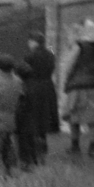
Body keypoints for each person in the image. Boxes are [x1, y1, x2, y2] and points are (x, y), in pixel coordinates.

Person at [63, 19, 94, 157]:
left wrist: (67, 79)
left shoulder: (80, 46)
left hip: (78, 85)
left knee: (74, 116)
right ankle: (93, 147)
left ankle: (75, 146)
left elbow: (69, 65)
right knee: (93, 117)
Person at [22, 34, 59, 164]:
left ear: (34, 42)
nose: (29, 44)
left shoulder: (29, 56)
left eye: (30, 41)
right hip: (48, 87)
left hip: (33, 87)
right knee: (45, 117)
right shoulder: (51, 55)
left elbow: (25, 71)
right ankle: (43, 148)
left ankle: (35, 151)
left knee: (33, 118)